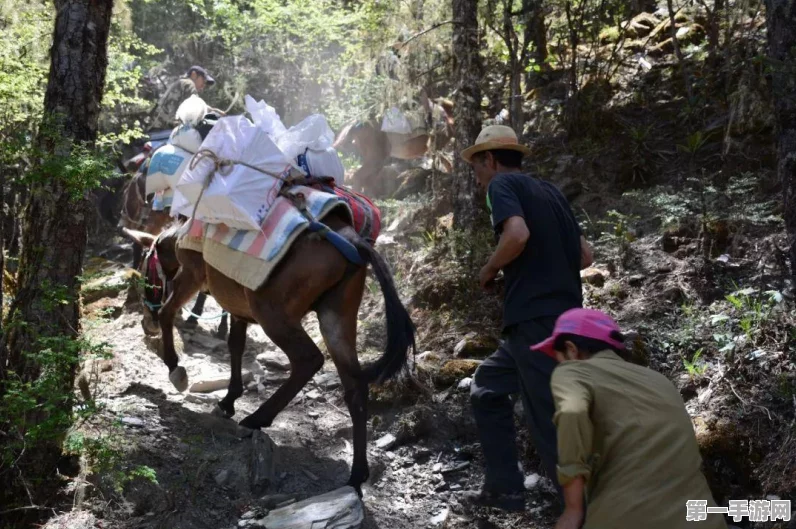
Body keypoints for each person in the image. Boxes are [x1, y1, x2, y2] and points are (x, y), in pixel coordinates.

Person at [460, 125, 593, 511]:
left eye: (477, 165)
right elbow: (586, 256)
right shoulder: (551, 192)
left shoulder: (501, 187)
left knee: (546, 415)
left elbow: (516, 234)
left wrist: (488, 270)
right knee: (486, 386)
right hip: (565, 320)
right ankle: (505, 488)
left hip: (534, 320)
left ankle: (582, 511)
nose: (477, 174)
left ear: (490, 159)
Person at [536, 308, 727, 529]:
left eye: (558, 358)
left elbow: (572, 412)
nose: (560, 365)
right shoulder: (659, 380)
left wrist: (572, 509)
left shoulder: (573, 371)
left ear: (571, 349)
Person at [148, 66, 223, 131]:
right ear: (194, 74)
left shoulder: (181, 83)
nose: (203, 86)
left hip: (156, 128)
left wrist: (213, 109)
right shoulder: (188, 83)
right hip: (164, 130)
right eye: (203, 81)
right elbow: (197, 108)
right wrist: (215, 114)